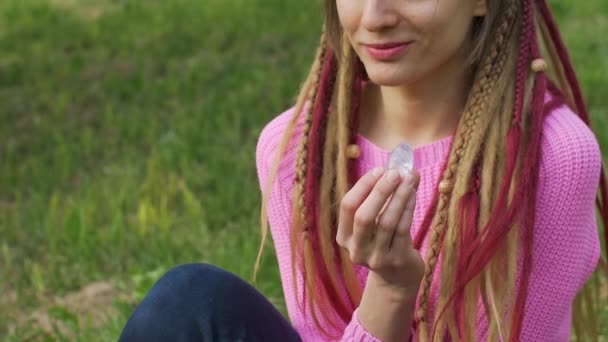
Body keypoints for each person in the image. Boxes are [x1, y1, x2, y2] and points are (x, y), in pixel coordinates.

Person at [119, 0, 608, 340]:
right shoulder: (300, 150)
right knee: (188, 300)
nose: (374, 18)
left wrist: (394, 287)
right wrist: (388, 293)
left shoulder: (551, 159)